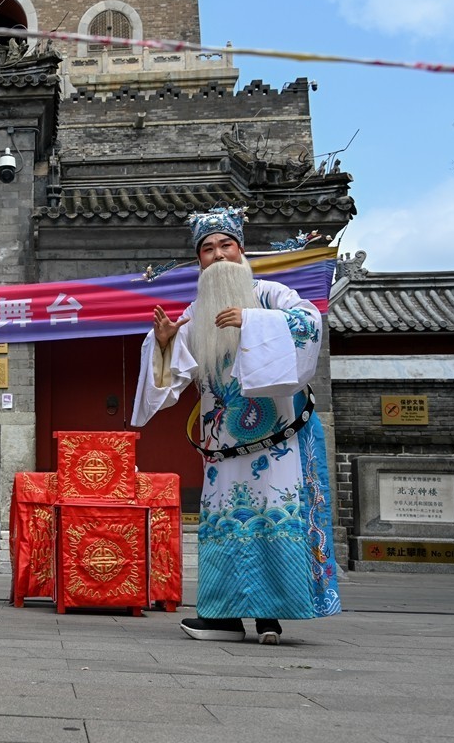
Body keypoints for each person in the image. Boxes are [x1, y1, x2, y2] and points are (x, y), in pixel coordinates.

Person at [130, 208, 341, 645]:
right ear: (199, 260)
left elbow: (308, 322)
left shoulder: (270, 295)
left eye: (226, 245)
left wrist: (253, 322)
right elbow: (169, 383)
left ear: (241, 250)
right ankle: (224, 616)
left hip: (277, 438)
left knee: (274, 513)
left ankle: (271, 616)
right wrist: (166, 345)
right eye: (207, 249)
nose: (218, 255)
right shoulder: (194, 313)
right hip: (223, 443)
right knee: (226, 519)